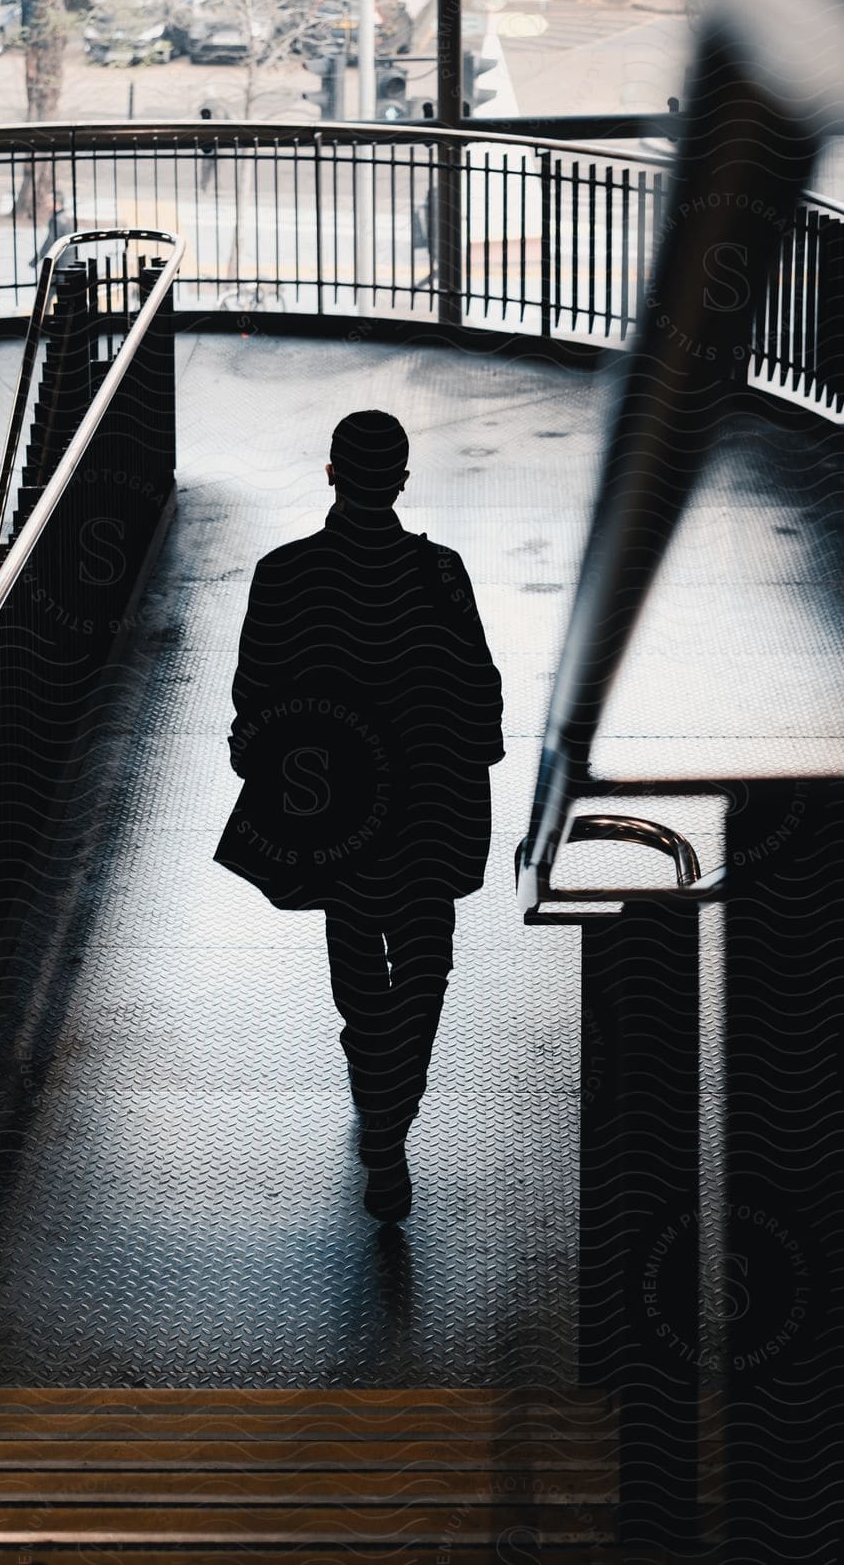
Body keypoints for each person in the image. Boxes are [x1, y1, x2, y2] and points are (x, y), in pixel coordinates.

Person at [215, 410, 504, 1222]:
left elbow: (255, 706)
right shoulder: (441, 573)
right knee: (425, 964)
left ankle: (375, 1093)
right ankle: (392, 1114)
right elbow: (481, 700)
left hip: (336, 814)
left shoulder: (285, 574)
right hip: (428, 808)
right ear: (403, 481)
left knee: (359, 965)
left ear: (332, 472)